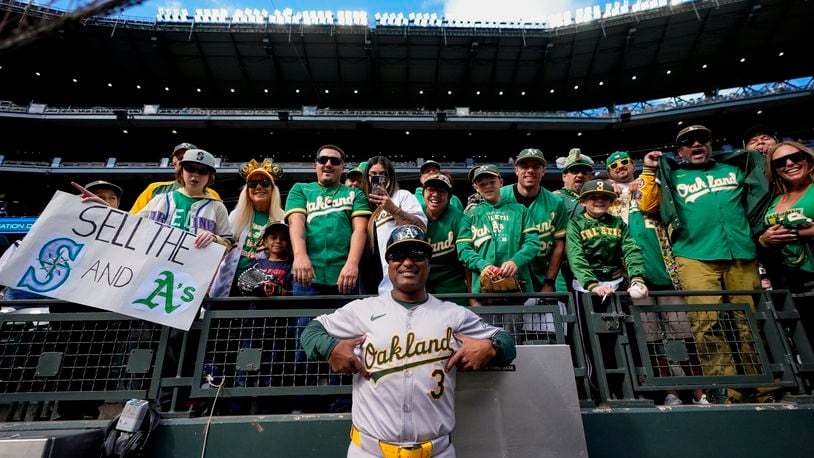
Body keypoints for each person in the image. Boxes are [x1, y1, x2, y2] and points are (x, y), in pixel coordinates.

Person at [300, 225, 516, 458]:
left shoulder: (453, 314)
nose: (407, 262)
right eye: (398, 255)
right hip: (370, 452)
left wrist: (491, 347)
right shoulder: (362, 310)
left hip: (437, 452)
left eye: (417, 255)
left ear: (428, 264)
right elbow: (311, 330)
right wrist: (330, 348)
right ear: (389, 265)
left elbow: (505, 340)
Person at [639, 124, 770, 400]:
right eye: (688, 142)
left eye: (702, 140)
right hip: (695, 254)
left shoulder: (734, 169)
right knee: (706, 323)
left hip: (741, 252)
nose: (695, 144)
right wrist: (650, 169)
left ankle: (763, 386)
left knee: (749, 322)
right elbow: (648, 206)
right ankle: (726, 389)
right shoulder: (673, 174)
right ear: (680, 150)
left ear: (711, 144)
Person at [605, 151, 707, 405]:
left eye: (624, 163)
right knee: (651, 340)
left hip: (665, 276)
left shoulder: (650, 192)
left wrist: (647, 174)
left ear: (632, 166)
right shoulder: (610, 204)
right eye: (613, 165)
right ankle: (669, 391)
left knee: (684, 336)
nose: (620, 168)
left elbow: (654, 203)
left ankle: (698, 391)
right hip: (634, 280)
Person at [284, 144, 371, 296]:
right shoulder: (300, 189)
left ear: (343, 167)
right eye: (323, 160)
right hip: (307, 273)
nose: (328, 164)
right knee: (305, 321)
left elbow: (360, 229)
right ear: (315, 164)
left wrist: (352, 264)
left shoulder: (355, 193)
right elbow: (296, 223)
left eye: (335, 161)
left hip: (345, 275)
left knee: (345, 320)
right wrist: (300, 256)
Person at [457, 164, 540, 295]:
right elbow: (463, 250)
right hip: (483, 290)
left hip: (521, 288)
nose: (488, 186)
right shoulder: (469, 216)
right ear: (476, 188)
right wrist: (483, 265)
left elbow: (533, 243)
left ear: (500, 182)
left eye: (492, 182)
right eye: (482, 184)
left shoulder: (521, 210)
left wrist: (515, 261)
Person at [758, 141, 814, 335]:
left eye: (796, 157)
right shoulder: (776, 198)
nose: (789, 164)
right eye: (780, 162)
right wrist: (765, 239)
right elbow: (765, 236)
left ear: (808, 159)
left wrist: (796, 233)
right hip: (790, 280)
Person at [211, 159, 285, 297]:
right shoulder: (235, 215)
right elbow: (224, 246)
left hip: (263, 286)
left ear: (272, 189)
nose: (258, 187)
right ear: (247, 190)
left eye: (264, 183)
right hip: (229, 280)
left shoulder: (282, 218)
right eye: (252, 184)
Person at [566, 179, 648, 299]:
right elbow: (575, 256)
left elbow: (631, 250)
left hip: (616, 283)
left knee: (622, 317)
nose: (599, 200)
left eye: (604, 197)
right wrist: (592, 284)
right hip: (585, 287)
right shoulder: (575, 224)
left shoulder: (618, 223)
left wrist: (637, 279)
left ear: (611, 202)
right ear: (583, 201)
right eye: (593, 197)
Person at [137, 148, 232, 250]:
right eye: (190, 168)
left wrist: (215, 239)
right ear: (181, 172)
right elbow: (133, 226)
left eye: (202, 171)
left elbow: (228, 243)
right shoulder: (159, 200)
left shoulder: (217, 207)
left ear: (210, 177)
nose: (195, 174)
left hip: (194, 263)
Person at [362, 155, 428, 294]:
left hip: (399, 278)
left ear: (390, 176)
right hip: (371, 279)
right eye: (373, 174)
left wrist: (392, 208)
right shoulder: (365, 203)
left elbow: (421, 227)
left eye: (382, 174)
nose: (378, 178)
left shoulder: (402, 196)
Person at [130, 142, 221, 214]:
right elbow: (134, 218)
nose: (182, 161)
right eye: (180, 157)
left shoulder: (212, 195)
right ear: (174, 161)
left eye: (187, 158)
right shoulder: (155, 189)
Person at [421, 173, 469, 302]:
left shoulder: (458, 218)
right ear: (423, 192)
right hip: (421, 283)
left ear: (449, 197)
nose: (435, 194)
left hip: (451, 284)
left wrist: (471, 295)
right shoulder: (416, 214)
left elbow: (466, 261)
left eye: (441, 191)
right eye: (431, 189)